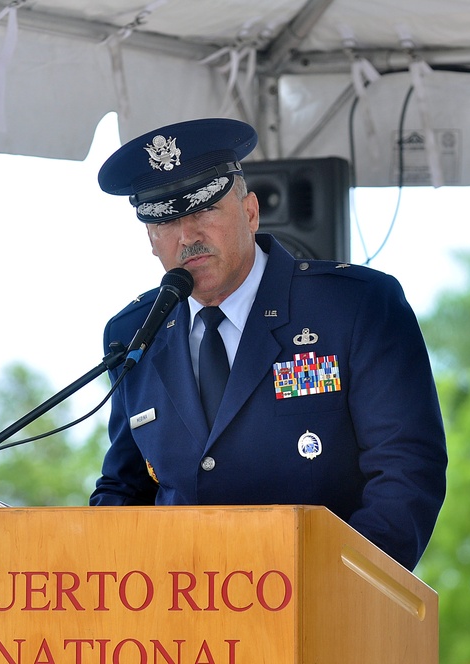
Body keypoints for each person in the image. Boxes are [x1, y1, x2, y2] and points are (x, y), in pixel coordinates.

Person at [90, 118, 447, 570]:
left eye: (203, 211)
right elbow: (125, 487)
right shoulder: (133, 332)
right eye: (166, 222)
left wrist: (340, 590)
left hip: (320, 610)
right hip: (182, 623)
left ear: (251, 211)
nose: (188, 237)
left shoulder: (355, 305)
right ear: (150, 238)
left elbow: (407, 470)